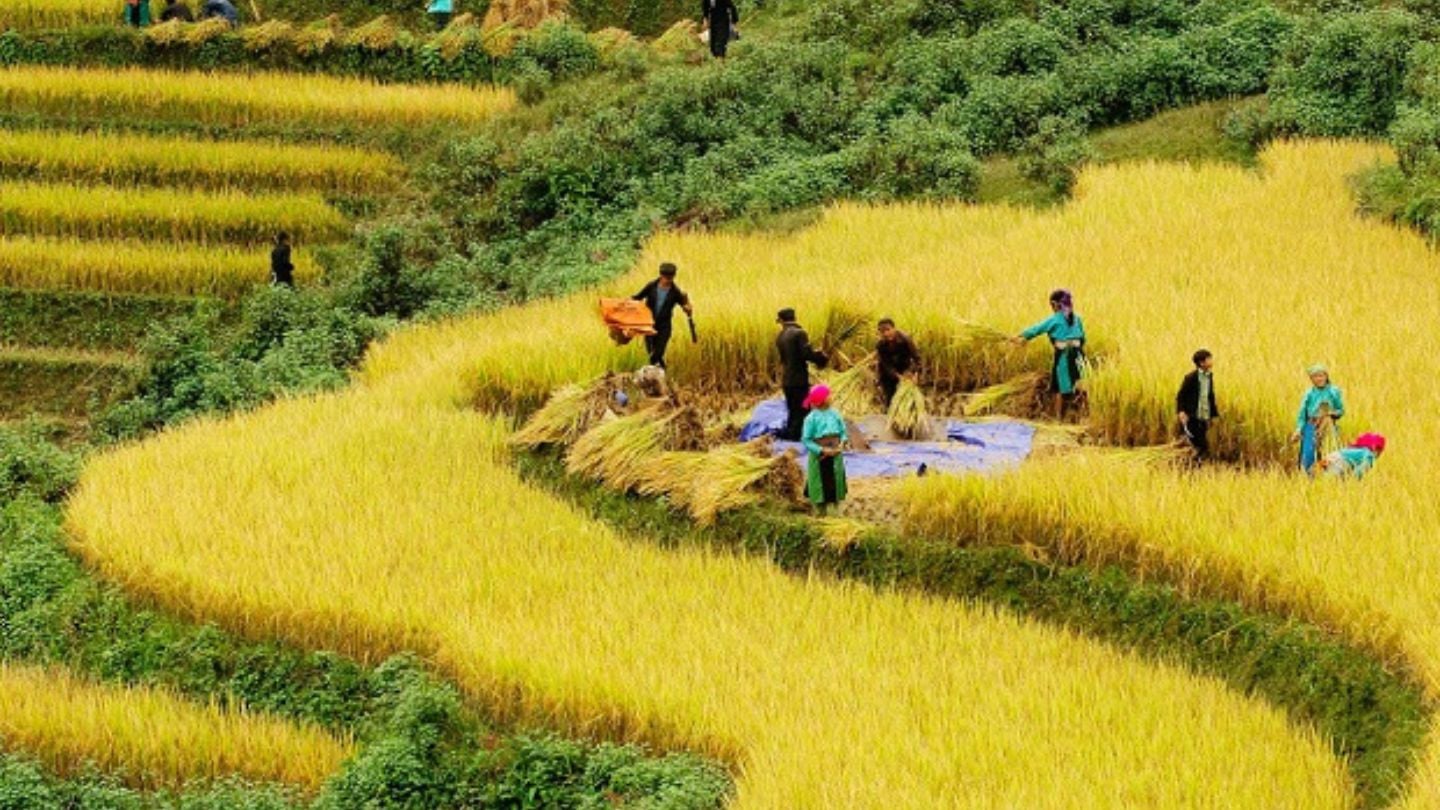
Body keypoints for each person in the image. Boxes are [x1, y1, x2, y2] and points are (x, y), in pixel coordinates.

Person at [1011, 289, 1086, 419]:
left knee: (1060, 388)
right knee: (1079, 384)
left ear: (1055, 304)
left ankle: (1059, 419)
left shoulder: (1055, 319)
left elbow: (1036, 329)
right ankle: (1080, 416)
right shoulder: (1077, 318)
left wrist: (1019, 337)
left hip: (1065, 356)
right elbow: (1083, 338)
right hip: (1079, 356)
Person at [776, 308, 827, 441]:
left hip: (787, 379)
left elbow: (784, 359)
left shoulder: (781, 336)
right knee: (803, 409)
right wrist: (821, 357)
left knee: (793, 409)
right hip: (799, 379)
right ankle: (802, 435)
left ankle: (792, 433)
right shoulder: (799, 333)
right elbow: (806, 354)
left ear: (781, 320)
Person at [630, 262, 693, 369]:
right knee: (651, 353)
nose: (668, 281)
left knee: (658, 352)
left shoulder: (675, 292)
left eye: (670, 278)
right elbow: (638, 297)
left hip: (664, 326)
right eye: (666, 278)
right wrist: (625, 304)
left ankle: (656, 374)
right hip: (649, 324)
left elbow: (685, 307)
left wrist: (688, 308)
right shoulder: (651, 286)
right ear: (661, 276)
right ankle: (661, 372)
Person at [801, 384, 848, 515]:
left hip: (836, 454)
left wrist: (842, 443)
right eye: (828, 395)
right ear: (821, 399)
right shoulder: (811, 419)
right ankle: (820, 512)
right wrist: (821, 450)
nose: (831, 397)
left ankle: (835, 512)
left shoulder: (835, 414)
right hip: (819, 455)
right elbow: (806, 439)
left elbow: (843, 431)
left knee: (835, 480)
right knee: (819, 483)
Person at [1290, 363, 1344, 474]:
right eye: (1316, 376)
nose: (1319, 379)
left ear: (1326, 376)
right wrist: (1299, 429)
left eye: (1321, 375)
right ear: (1311, 379)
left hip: (1329, 425)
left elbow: (1341, 410)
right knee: (1308, 452)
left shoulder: (1334, 391)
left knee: (1330, 451)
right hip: (1311, 425)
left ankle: (1331, 476)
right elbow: (1302, 414)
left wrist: (1330, 413)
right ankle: (1308, 476)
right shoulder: (1309, 394)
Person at [1176, 349, 1219, 461]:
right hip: (1192, 416)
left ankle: (1194, 465)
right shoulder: (1191, 378)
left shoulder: (1209, 376)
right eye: (1209, 359)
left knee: (1201, 444)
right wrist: (1181, 412)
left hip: (1204, 416)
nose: (1212, 361)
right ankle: (1193, 466)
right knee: (1200, 445)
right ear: (1201, 363)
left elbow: (1210, 396)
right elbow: (1181, 395)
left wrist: (1213, 415)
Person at [876, 318, 920, 409]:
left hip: (904, 367)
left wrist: (915, 373)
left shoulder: (906, 340)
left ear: (894, 329)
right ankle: (889, 413)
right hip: (888, 372)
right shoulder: (880, 345)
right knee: (890, 395)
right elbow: (886, 364)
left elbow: (917, 358)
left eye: (888, 330)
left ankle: (906, 414)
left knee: (907, 394)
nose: (886, 334)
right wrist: (897, 376)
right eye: (882, 331)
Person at [1319, 432, 1385, 480]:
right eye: (1380, 450)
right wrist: (1352, 481)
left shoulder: (1357, 450)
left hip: (1331, 457)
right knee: (1332, 482)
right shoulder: (1369, 455)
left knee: (1324, 480)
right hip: (1340, 461)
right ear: (1375, 448)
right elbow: (1359, 472)